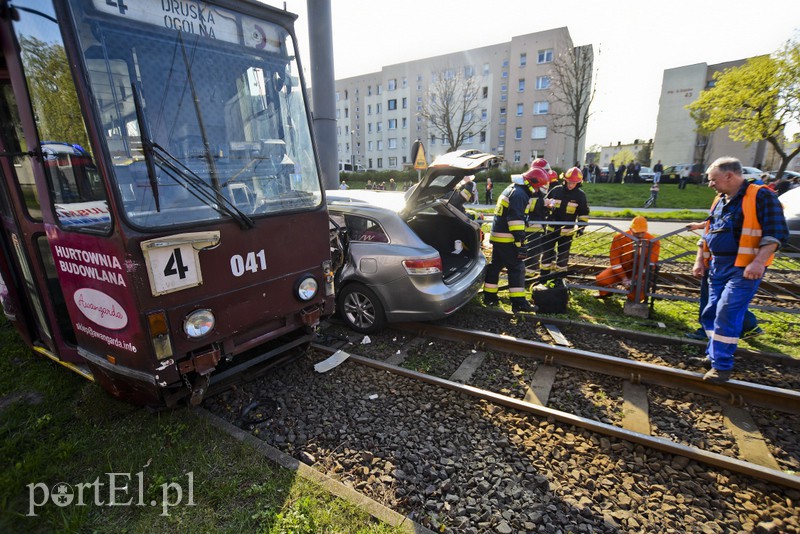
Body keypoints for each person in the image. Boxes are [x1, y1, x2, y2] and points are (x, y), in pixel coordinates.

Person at [691, 157, 788, 383]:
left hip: (744, 266)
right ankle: (713, 355)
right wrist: (700, 259)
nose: (710, 184)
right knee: (712, 310)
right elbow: (709, 231)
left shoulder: (761, 195)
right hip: (718, 265)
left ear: (729, 176)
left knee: (727, 310)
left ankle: (722, 366)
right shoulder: (720, 200)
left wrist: (758, 262)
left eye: (712, 179)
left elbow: (776, 232)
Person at [483, 167, 550, 313]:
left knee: (495, 266)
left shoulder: (514, 189)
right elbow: (515, 221)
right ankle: (519, 303)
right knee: (517, 268)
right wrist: (520, 244)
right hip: (507, 238)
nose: (538, 191)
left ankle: (489, 297)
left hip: (499, 236)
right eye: (537, 188)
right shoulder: (520, 195)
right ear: (531, 183)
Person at [684, 221, 761, 341]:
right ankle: (749, 326)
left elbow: (723, 224)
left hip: (723, 262)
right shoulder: (726, 204)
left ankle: (708, 331)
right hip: (719, 261)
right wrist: (701, 225)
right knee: (725, 300)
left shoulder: (751, 205)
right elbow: (719, 223)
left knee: (716, 299)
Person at [540, 167, 590, 279]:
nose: (570, 185)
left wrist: (581, 228)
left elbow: (583, 213)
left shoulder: (580, 196)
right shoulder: (556, 190)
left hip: (567, 232)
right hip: (551, 229)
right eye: (569, 182)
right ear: (565, 180)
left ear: (578, 183)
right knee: (547, 254)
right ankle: (543, 276)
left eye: (573, 183)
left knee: (563, 256)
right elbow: (544, 204)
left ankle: (559, 278)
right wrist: (546, 210)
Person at [595, 216, 660, 302]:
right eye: (637, 233)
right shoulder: (619, 238)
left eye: (642, 233)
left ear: (646, 230)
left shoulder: (653, 241)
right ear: (630, 229)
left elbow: (650, 264)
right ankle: (606, 293)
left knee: (638, 294)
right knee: (602, 279)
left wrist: (635, 279)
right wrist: (624, 278)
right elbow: (615, 261)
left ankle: (632, 300)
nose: (640, 236)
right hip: (623, 269)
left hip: (640, 273)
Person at [522, 160, 552, 275]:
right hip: (531, 227)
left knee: (535, 253)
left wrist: (547, 207)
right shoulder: (529, 186)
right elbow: (527, 203)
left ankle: (530, 275)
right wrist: (543, 203)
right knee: (532, 254)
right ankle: (528, 278)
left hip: (537, 226)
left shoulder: (537, 184)